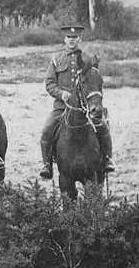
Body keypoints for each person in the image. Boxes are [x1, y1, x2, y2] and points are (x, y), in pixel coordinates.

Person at [39, 23, 114, 178]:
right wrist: (62, 94)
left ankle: (107, 159)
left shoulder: (88, 59)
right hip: (62, 107)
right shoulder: (56, 60)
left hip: (86, 109)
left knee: (103, 127)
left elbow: (94, 82)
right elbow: (49, 83)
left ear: (79, 39)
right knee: (47, 129)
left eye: (74, 37)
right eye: (68, 37)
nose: (71, 40)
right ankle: (47, 164)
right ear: (64, 39)